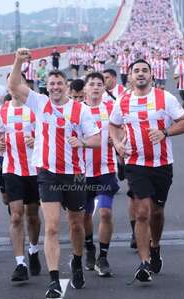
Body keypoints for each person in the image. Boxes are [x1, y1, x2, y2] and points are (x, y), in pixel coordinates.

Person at [8, 48, 100, 299]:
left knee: (76, 225)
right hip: (48, 173)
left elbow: (97, 139)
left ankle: (78, 262)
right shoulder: (39, 102)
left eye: (60, 83)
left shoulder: (80, 110)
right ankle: (53, 280)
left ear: (67, 86)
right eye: (52, 83)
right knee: (51, 227)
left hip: (75, 174)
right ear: (46, 87)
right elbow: (14, 85)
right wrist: (18, 60)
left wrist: (82, 142)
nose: (56, 87)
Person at [109, 59, 184, 282]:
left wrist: (165, 132)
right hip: (135, 163)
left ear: (152, 75)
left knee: (156, 212)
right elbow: (113, 125)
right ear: (131, 76)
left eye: (145, 70)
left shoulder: (165, 98)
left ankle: (155, 246)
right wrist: (117, 143)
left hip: (162, 164)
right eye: (137, 71)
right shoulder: (123, 101)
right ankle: (144, 263)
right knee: (142, 211)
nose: (141, 74)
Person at [0, 95, 42, 282]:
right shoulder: (3, 110)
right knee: (16, 215)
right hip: (12, 169)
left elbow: (48, 133)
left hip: (34, 168)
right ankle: (20, 263)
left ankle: (34, 249)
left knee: (33, 216)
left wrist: (36, 139)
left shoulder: (35, 108)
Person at [81, 72, 119, 277]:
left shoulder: (111, 109)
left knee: (105, 212)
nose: (96, 88)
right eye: (92, 84)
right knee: (85, 215)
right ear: (85, 89)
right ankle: (89, 247)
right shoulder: (76, 110)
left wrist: (118, 141)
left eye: (99, 84)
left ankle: (103, 257)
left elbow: (121, 132)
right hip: (82, 172)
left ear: (104, 89)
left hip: (106, 169)